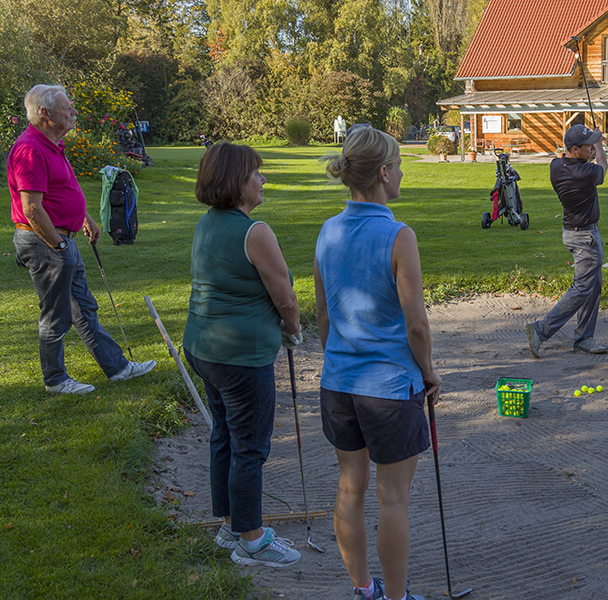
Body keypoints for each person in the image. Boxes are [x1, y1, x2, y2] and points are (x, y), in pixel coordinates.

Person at [315, 125, 438, 600]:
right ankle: (396, 597)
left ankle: (363, 588)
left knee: (350, 488)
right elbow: (417, 327)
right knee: (393, 497)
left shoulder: (328, 230)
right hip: (388, 387)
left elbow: (324, 318)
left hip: (339, 383)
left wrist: (340, 363)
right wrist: (428, 371)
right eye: (400, 166)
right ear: (384, 173)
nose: (403, 174)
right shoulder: (397, 234)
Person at [182, 142, 303, 568]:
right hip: (239, 358)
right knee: (249, 445)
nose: (263, 180)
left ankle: (231, 525)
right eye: (257, 173)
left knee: (225, 437)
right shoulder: (256, 232)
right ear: (237, 182)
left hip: (203, 347)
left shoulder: (207, 223)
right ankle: (253, 540)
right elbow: (285, 298)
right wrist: (293, 331)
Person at [9, 84, 155, 395]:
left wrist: (85, 219)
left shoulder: (52, 145)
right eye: (67, 108)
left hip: (61, 239)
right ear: (46, 114)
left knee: (84, 308)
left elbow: (62, 190)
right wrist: (59, 246)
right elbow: (31, 207)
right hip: (44, 242)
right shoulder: (30, 149)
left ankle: (116, 368)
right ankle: (56, 380)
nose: (74, 112)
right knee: (56, 314)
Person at [526, 124, 608, 358]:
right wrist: (601, 145)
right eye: (588, 146)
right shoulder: (585, 174)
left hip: (573, 233)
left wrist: (592, 139)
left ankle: (584, 337)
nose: (592, 149)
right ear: (575, 149)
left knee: (593, 287)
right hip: (585, 238)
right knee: (583, 288)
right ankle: (541, 330)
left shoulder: (557, 166)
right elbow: (602, 165)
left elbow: (572, 159)